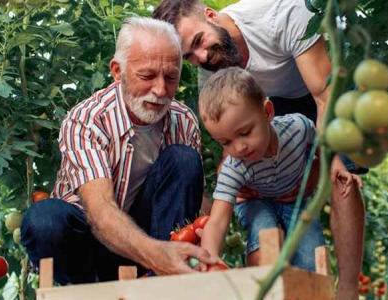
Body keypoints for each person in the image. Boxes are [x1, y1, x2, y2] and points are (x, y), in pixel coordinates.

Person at [154, 1, 365, 298]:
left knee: (342, 172)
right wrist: (230, 191)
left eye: (199, 41)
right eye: (189, 56)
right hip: (261, 112)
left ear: (211, 15)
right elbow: (229, 138)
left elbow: (323, 96)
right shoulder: (211, 71)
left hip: (319, 89)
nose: (201, 57)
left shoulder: (282, 15)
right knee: (253, 187)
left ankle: (348, 288)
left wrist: (329, 160)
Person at [20, 17, 217, 284]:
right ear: (117, 71)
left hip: (152, 242)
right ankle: (88, 290)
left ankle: (165, 282)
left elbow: (188, 197)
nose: (160, 90)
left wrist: (214, 225)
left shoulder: (183, 120)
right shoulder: (87, 120)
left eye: (171, 77)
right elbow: (100, 211)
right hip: (91, 244)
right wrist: (158, 254)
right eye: (147, 76)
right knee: (43, 220)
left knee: (184, 159)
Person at [198, 67, 330, 270]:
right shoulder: (234, 167)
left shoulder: (298, 128)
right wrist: (209, 258)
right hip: (255, 201)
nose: (239, 147)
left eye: (245, 132)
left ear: (267, 112)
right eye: (225, 142)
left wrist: (316, 173)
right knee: (263, 239)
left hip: (295, 199)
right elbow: (216, 221)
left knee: (310, 258)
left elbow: (322, 147)